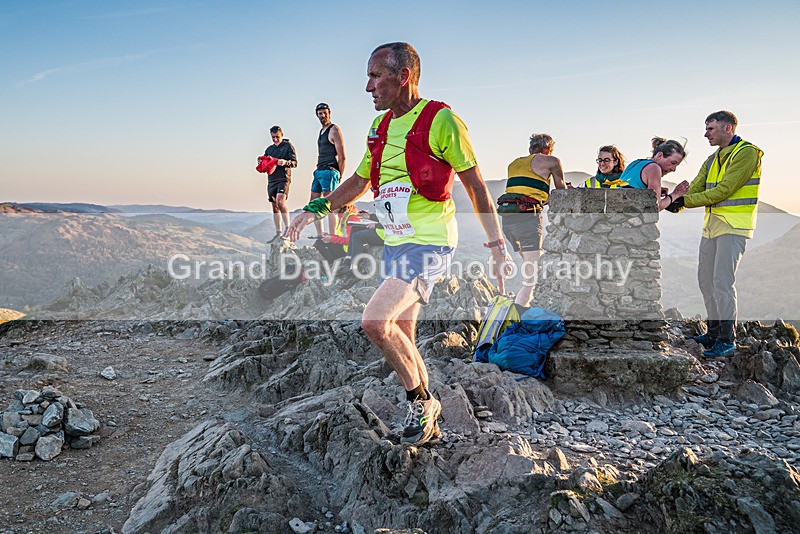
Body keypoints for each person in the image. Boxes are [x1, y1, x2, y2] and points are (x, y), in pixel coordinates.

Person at [287, 42, 510, 446]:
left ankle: (422, 401)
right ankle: (428, 418)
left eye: (375, 76)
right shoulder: (379, 128)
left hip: (429, 243)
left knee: (375, 322)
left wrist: (497, 247)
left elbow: (476, 186)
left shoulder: (442, 120)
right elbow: (356, 183)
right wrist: (314, 208)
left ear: (402, 76)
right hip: (395, 242)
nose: (367, 87)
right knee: (403, 331)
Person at [681, 111, 763, 358]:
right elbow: (696, 187)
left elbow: (724, 191)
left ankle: (727, 340)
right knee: (706, 281)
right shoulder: (712, 158)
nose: (706, 134)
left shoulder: (746, 153)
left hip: (734, 227)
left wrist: (679, 201)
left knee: (722, 282)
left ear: (728, 128)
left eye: (710, 129)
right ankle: (714, 332)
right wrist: (673, 200)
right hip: (712, 227)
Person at [497, 134, 566, 306]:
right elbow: (562, 192)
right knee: (533, 275)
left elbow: (527, 190)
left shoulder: (513, 164)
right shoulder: (552, 161)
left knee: (531, 266)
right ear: (548, 149)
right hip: (528, 219)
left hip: (508, 221)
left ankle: (523, 308)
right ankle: (518, 315)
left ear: (530, 148)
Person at [619, 137, 690, 210]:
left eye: (676, 165)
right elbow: (654, 207)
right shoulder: (654, 168)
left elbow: (629, 187)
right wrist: (676, 194)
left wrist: (656, 190)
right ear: (659, 156)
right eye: (673, 163)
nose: (673, 169)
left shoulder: (636, 163)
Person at [311, 103, 346, 237]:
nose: (323, 115)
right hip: (319, 171)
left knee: (330, 205)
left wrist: (339, 175)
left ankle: (333, 236)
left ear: (329, 113)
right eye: (320, 113)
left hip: (330, 171)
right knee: (314, 204)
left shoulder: (334, 129)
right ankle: (320, 234)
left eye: (325, 113)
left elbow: (342, 156)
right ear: (317, 115)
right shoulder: (321, 131)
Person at [263, 126, 297, 237]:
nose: (275, 139)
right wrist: (261, 163)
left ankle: (288, 228)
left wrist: (286, 162)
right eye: (273, 137)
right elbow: (264, 165)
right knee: (274, 207)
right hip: (272, 179)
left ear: (282, 135)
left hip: (284, 178)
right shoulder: (269, 149)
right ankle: (278, 233)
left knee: (280, 202)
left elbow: (295, 163)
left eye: (277, 137)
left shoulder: (288, 146)